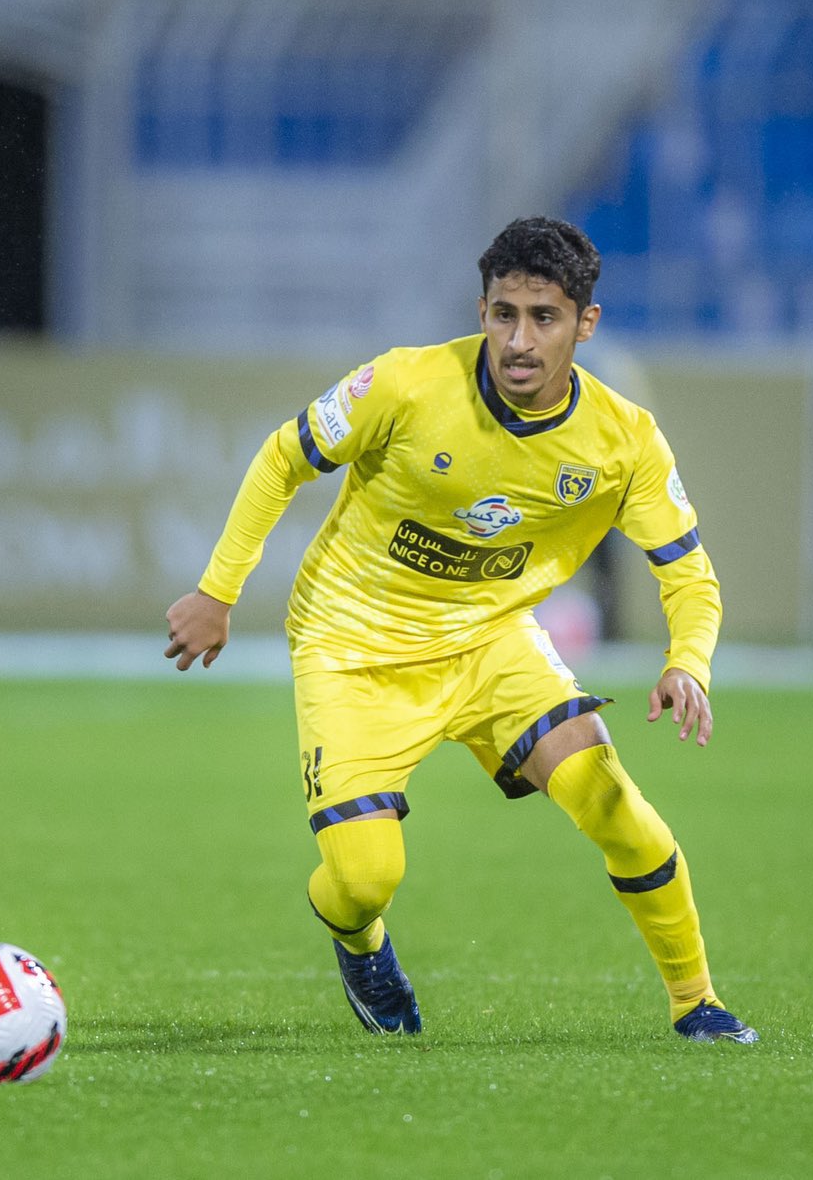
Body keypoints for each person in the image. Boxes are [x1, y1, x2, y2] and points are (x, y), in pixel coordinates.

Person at [164, 217, 756, 1044]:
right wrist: (216, 591)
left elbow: (687, 572)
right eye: (503, 313)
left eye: (544, 318)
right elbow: (281, 459)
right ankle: (361, 943)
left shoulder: (624, 441)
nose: (519, 340)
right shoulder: (403, 385)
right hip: (352, 648)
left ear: (585, 323)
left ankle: (698, 1004)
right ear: (481, 308)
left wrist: (687, 662)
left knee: (617, 807)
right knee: (365, 879)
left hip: (490, 642)